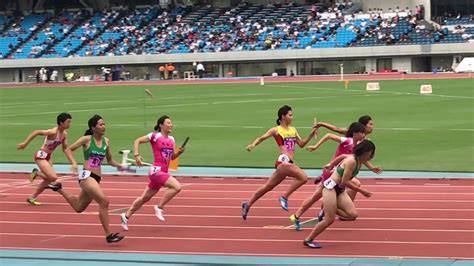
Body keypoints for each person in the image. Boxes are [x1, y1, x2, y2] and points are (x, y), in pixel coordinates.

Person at [51, 114, 124, 243]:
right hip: (87, 176)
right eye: (101, 124)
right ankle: (109, 235)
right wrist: (74, 163)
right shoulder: (87, 139)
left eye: (104, 124)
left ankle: (59, 189)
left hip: (97, 178)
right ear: (93, 127)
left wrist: (120, 166)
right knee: (104, 201)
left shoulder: (106, 141)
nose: (103, 126)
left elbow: (110, 160)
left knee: (79, 207)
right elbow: (68, 149)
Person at [242, 105, 318, 220]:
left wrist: (311, 135)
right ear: (283, 116)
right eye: (290, 115)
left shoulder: (293, 130)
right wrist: (253, 144)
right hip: (283, 161)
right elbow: (261, 137)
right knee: (303, 177)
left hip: (289, 163)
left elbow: (301, 144)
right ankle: (284, 196)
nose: (292, 117)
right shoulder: (276, 130)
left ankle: (248, 204)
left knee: (268, 187)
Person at [290, 122, 367, 230]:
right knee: (315, 196)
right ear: (355, 133)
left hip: (338, 175)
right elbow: (329, 135)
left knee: (319, 197)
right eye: (362, 133)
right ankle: (297, 216)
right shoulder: (347, 141)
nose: (364, 135)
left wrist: (372, 168)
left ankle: (324, 209)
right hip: (332, 174)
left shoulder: (358, 146)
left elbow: (361, 159)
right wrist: (316, 146)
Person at [303, 140, 376, 248]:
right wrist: (362, 191)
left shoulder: (359, 160)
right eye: (371, 153)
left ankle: (329, 207)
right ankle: (308, 239)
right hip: (330, 188)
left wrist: (331, 164)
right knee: (329, 219)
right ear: (366, 152)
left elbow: (341, 156)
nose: (372, 156)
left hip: (340, 190)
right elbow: (344, 181)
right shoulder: (352, 161)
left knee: (352, 215)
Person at [120, 115, 185, 231]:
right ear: (161, 125)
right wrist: (136, 155)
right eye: (168, 123)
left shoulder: (172, 140)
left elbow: (172, 158)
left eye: (171, 123)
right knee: (177, 187)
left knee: (144, 198)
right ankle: (159, 207)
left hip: (163, 172)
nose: (171, 125)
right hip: (156, 171)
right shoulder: (155, 136)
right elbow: (137, 141)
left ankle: (125, 216)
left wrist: (179, 153)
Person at [17, 113, 72, 205]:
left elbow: (64, 148)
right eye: (68, 122)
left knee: (48, 180)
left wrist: (71, 157)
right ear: (61, 123)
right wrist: (25, 143)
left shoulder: (64, 134)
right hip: (41, 156)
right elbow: (36, 132)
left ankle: (32, 197)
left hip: (48, 157)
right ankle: (37, 172)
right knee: (53, 177)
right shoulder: (53, 132)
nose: (70, 124)